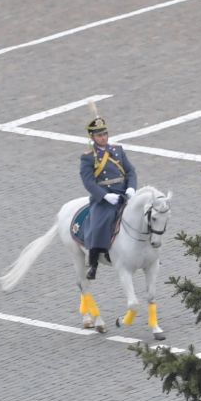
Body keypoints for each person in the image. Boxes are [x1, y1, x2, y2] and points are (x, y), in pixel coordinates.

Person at [80, 113, 137, 280]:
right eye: (99, 135)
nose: (103, 138)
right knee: (99, 222)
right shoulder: (88, 157)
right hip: (105, 197)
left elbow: (130, 171)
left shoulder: (118, 151)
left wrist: (131, 189)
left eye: (105, 134)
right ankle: (94, 261)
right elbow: (88, 182)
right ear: (92, 137)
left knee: (146, 213)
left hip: (123, 192)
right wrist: (105, 197)